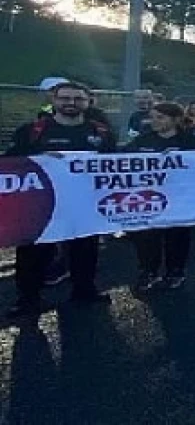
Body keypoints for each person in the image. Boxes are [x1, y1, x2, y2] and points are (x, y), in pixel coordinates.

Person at [5, 81, 116, 317]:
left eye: (78, 99)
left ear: (88, 102)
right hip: (41, 205)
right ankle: (27, 299)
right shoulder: (32, 131)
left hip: (85, 203)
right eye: (65, 98)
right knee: (33, 253)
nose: (71, 103)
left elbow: (117, 163)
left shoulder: (101, 132)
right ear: (53, 100)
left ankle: (84, 291)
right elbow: (10, 162)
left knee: (85, 250)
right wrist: (38, 157)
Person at [125, 102, 195, 291]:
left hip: (180, 198)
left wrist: (181, 158)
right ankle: (148, 271)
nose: (154, 122)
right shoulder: (143, 140)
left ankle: (175, 271)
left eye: (160, 117)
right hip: (148, 197)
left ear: (176, 120)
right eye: (152, 117)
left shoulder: (190, 141)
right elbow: (120, 160)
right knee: (146, 236)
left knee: (177, 236)